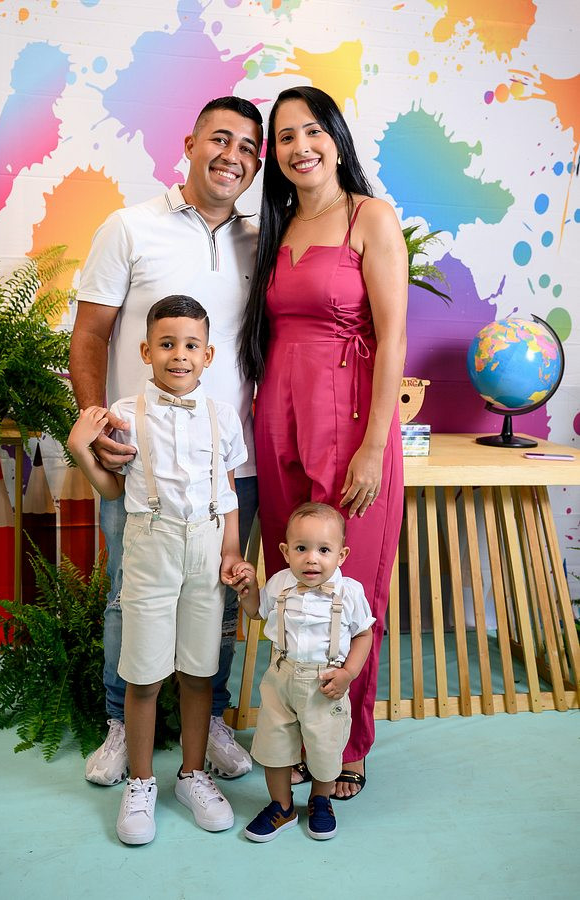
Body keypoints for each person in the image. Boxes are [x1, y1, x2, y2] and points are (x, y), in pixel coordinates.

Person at [70, 96, 263, 786]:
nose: (231, 156)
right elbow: (89, 336)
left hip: (228, 461)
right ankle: (121, 724)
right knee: (131, 596)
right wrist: (98, 426)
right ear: (189, 143)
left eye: (247, 147)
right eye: (220, 139)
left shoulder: (262, 242)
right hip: (140, 462)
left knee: (219, 596)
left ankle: (209, 723)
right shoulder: (130, 227)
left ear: (257, 164)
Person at [239, 86, 407, 799]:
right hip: (277, 416)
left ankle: (348, 744)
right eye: (284, 137)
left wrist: (374, 444)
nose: (300, 146)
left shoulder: (371, 217)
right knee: (293, 583)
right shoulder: (273, 227)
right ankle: (293, 732)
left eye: (312, 131)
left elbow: (393, 337)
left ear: (336, 138)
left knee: (350, 587)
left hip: (350, 421)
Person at [68, 295, 249, 844]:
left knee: (199, 671)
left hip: (207, 550)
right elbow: (113, 490)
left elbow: (228, 492)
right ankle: (142, 782)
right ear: (146, 351)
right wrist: (81, 450)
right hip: (150, 548)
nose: (179, 355)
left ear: (208, 355)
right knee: (144, 673)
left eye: (191, 345)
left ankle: (193, 775)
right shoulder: (124, 414)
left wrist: (232, 552)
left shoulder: (222, 416)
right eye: (167, 344)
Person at [229, 502, 374, 841]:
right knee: (274, 744)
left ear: (341, 555)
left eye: (324, 550)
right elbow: (256, 612)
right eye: (301, 549)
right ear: (285, 551)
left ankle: (321, 800)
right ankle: (281, 806)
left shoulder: (349, 592)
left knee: (325, 746)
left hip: (326, 682)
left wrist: (348, 674)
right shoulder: (280, 583)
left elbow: (364, 634)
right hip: (281, 678)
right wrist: (247, 592)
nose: (311, 559)